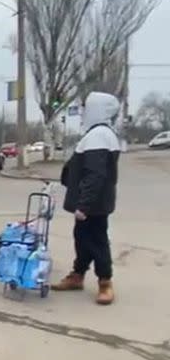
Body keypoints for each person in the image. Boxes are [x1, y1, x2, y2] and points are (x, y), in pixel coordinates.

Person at [52, 92, 121, 305]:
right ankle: (78, 275)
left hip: (92, 204)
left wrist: (84, 205)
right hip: (92, 202)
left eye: (86, 108)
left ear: (97, 109)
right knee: (83, 240)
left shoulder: (99, 135)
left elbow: (95, 174)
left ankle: (105, 282)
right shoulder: (98, 133)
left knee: (97, 241)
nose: (83, 112)